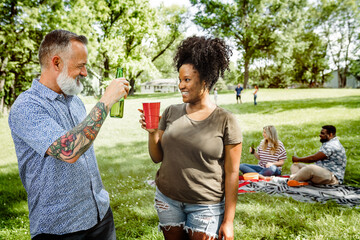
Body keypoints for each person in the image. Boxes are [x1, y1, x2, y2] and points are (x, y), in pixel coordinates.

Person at [8, 30, 129, 239]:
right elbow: (69, 150)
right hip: (60, 228)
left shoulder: (74, 100)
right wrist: (107, 100)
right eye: (80, 65)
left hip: (100, 215)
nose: (85, 73)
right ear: (56, 63)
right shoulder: (26, 106)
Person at [139, 36, 242, 240]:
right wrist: (152, 134)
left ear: (205, 81)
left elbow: (232, 174)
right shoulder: (170, 112)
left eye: (187, 80)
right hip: (167, 200)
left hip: (206, 207)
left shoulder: (226, 120)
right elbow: (157, 157)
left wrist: (228, 222)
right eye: (180, 79)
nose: (180, 85)